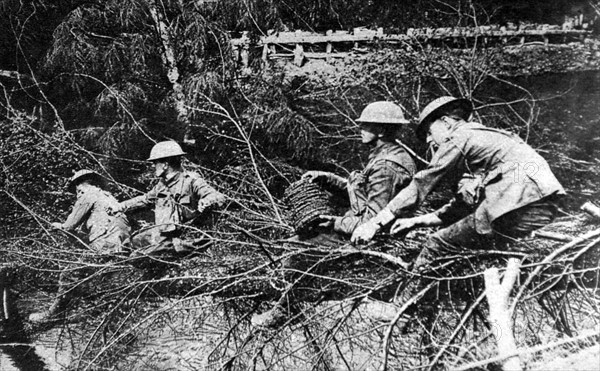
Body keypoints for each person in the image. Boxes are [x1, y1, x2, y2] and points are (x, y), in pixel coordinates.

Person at [351, 96, 566, 275]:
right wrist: (416, 221)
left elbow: (422, 183)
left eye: (429, 131)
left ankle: (403, 312)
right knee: (469, 243)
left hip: (517, 206)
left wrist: (375, 224)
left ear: (445, 122)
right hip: (542, 205)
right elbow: (463, 204)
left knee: (437, 243)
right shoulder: (487, 139)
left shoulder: (458, 137)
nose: (428, 141)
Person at [251, 101, 416, 328]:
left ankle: (285, 309)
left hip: (374, 236)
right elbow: (362, 194)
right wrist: (326, 178)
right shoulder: (385, 155)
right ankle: (292, 302)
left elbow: (375, 219)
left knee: (299, 247)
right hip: (362, 225)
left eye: (366, 125)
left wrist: (335, 222)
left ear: (380, 129)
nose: (360, 129)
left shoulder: (387, 166)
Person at [29, 170, 131, 323]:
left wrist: (59, 226)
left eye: (77, 191)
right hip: (122, 244)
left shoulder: (88, 195)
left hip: (106, 244)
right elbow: (93, 228)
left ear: (80, 186)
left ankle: (54, 315)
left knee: (69, 272)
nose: (77, 194)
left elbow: (69, 226)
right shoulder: (107, 196)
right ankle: (99, 311)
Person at [110, 141, 226, 256]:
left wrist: (206, 201)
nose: (153, 166)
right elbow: (145, 199)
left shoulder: (191, 180)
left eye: (155, 163)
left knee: (138, 256)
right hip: (165, 235)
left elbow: (217, 196)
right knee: (131, 242)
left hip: (186, 238)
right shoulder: (162, 185)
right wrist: (120, 206)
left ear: (165, 165)